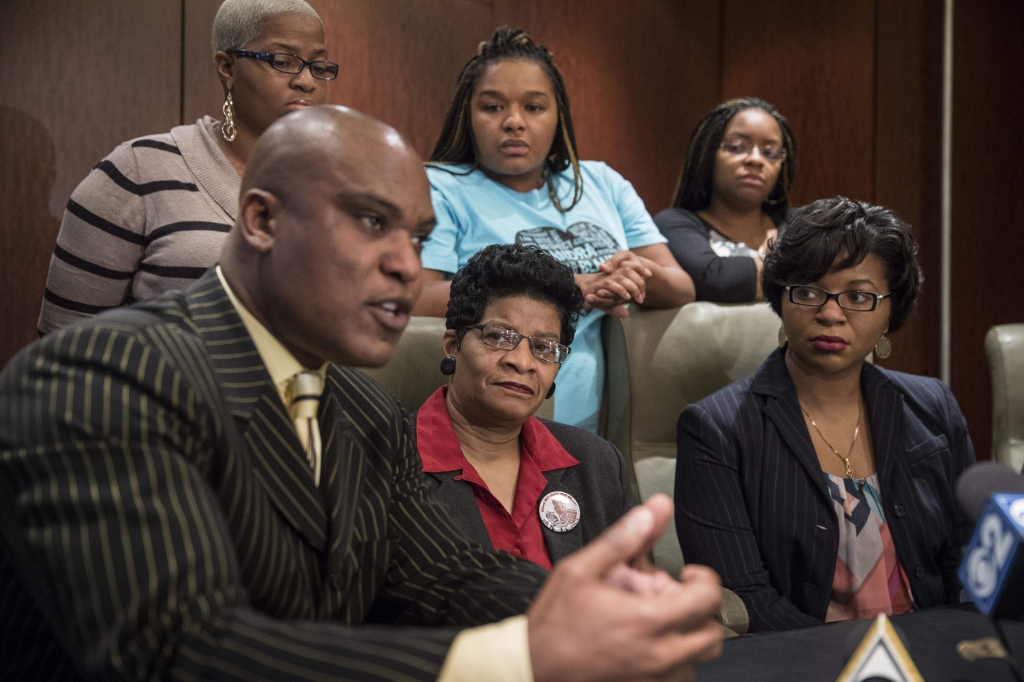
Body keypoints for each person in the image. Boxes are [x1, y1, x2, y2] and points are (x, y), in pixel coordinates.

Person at [0, 105, 724, 681]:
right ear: (260, 220)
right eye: (373, 223)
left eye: (417, 238)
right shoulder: (101, 375)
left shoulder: (365, 411)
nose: (408, 268)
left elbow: (444, 577)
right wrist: (528, 657)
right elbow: (180, 649)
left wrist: (610, 617)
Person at [674, 196, 974, 632]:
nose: (831, 314)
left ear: (891, 312)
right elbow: (746, 597)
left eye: (858, 296)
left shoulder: (932, 406)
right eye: (809, 291)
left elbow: (970, 553)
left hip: (933, 651)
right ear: (780, 298)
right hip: (801, 663)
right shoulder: (716, 428)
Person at [414, 26, 696, 434]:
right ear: (467, 115)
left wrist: (633, 277)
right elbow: (416, 296)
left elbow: (681, 285)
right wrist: (568, 288)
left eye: (534, 107)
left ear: (557, 114)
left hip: (591, 430)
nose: (514, 122)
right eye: (493, 108)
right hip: (486, 422)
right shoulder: (440, 186)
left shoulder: (600, 182)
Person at [38, 0, 333, 334]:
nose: (308, 81)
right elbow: (63, 346)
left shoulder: (333, 186)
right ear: (228, 68)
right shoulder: (138, 172)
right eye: (284, 61)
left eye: (319, 67)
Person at [417, 243, 635, 570]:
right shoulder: (389, 461)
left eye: (545, 347)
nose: (523, 362)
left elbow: (629, 595)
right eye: (499, 336)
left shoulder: (597, 463)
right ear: (453, 346)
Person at [655, 98, 797, 303]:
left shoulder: (801, 225)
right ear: (708, 154)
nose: (756, 159)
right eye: (737, 147)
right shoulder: (675, 223)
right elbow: (713, 279)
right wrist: (803, 275)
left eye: (770, 152)